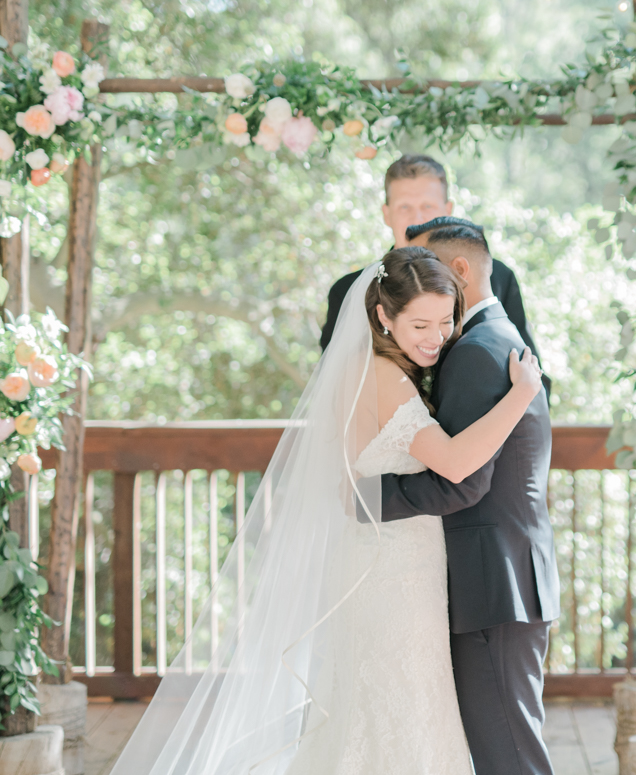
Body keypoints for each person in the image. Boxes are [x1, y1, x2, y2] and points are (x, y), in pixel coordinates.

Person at [111, 247, 543, 775]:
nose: (437, 336)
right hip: (391, 574)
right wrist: (521, 395)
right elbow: (454, 463)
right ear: (384, 316)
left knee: (377, 708)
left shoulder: (367, 369)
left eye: (446, 320)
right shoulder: (384, 376)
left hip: (383, 562)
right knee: (403, 708)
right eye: (421, 323)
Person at [379, 221, 558, 775]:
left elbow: (466, 480)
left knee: (508, 755)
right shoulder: (497, 338)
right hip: (505, 574)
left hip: (492, 580)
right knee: (508, 746)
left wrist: (369, 497)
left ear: (457, 271)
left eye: (429, 267)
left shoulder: (477, 351)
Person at [319, 156, 546, 389]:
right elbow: (334, 383)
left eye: (428, 206)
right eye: (404, 207)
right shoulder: (347, 290)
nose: (417, 218)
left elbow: (530, 366)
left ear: (448, 210)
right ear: (386, 214)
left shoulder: (495, 276)